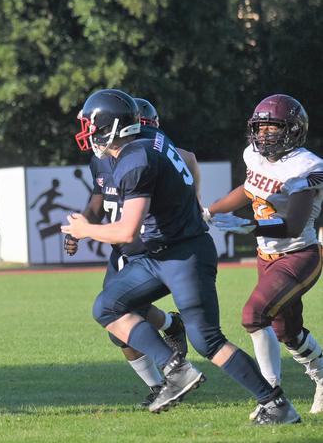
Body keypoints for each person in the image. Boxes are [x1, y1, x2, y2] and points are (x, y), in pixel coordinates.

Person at [61, 88, 300, 424]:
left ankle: (276, 404)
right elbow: (184, 157)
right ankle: (175, 367)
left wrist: (84, 229)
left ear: (111, 127)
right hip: (156, 254)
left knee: (208, 341)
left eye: (92, 125)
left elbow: (127, 231)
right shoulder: (148, 138)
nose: (88, 132)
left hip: (184, 254)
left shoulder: (135, 158)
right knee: (107, 307)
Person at [65, 96, 188, 407]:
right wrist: (83, 226)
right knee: (118, 327)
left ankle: (173, 371)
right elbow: (98, 197)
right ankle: (163, 378)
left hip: (148, 248)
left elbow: (188, 158)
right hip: (122, 250)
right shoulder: (102, 158)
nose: (88, 132)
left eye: (92, 126)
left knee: (115, 311)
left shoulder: (142, 153)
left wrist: (193, 203)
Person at [206, 94, 323, 417]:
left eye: (274, 127)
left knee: (253, 315)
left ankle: (272, 399)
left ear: (294, 130)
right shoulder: (253, 157)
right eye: (261, 127)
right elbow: (247, 190)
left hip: (299, 255)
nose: (265, 134)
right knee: (288, 331)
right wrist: (208, 212)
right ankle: (321, 375)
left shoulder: (308, 166)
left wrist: (250, 226)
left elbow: (294, 225)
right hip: (266, 257)